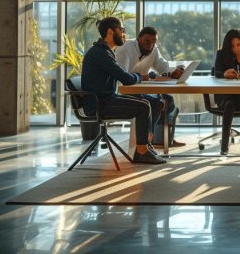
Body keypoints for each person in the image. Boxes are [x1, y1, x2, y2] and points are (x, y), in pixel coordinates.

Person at [80, 16, 166, 164]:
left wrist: (139, 77)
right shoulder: (101, 54)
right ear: (110, 32)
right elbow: (125, 78)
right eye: (122, 30)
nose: (124, 34)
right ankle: (141, 152)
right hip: (100, 104)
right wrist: (142, 76)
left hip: (105, 100)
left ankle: (144, 146)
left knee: (152, 102)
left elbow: (124, 75)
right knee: (144, 107)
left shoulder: (105, 52)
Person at [115, 26, 186, 148]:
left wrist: (173, 72)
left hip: (142, 88)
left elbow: (162, 66)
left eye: (154, 42)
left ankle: (164, 139)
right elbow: (123, 78)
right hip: (124, 91)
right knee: (156, 102)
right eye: (147, 41)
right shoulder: (125, 48)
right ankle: (146, 144)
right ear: (138, 39)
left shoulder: (153, 49)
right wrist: (143, 77)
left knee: (168, 100)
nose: (150, 45)